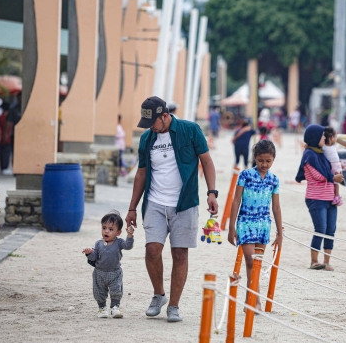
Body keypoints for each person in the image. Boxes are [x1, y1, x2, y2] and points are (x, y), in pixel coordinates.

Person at [125, 96, 219, 323]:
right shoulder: (147, 139)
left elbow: (206, 161)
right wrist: (132, 208)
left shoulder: (190, 130)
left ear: (165, 116)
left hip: (184, 202)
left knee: (180, 253)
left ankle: (174, 306)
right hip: (155, 202)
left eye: (153, 123)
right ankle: (159, 295)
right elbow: (141, 173)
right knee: (152, 250)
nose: (150, 128)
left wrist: (212, 192)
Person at [228, 140, 283, 311]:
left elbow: (276, 207)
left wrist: (280, 233)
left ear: (273, 159)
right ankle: (255, 300)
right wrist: (231, 227)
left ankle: (249, 300)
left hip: (263, 224)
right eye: (260, 160)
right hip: (245, 222)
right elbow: (236, 200)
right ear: (255, 158)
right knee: (251, 261)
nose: (264, 164)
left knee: (257, 262)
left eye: (268, 161)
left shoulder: (274, 180)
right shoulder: (245, 175)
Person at [295, 124, 344, 271]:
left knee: (330, 230)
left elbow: (332, 170)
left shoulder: (323, 154)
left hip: (329, 198)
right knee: (320, 229)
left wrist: (336, 176)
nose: (324, 138)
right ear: (315, 137)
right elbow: (319, 175)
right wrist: (334, 177)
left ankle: (326, 261)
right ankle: (314, 261)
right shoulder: (309, 154)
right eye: (322, 135)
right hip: (316, 198)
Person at [82, 211, 134, 318]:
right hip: (99, 272)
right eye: (104, 228)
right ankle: (102, 308)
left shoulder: (119, 242)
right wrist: (89, 253)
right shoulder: (98, 243)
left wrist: (129, 235)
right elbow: (94, 257)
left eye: (111, 229)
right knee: (98, 291)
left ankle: (115, 307)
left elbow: (128, 246)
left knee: (116, 290)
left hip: (115, 272)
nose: (106, 231)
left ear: (118, 232)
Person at [323, 127, 343, 206]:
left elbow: (335, 157)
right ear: (331, 138)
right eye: (335, 137)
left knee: (336, 182)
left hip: (337, 165)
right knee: (335, 182)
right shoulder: (324, 147)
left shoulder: (332, 147)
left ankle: (336, 196)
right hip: (332, 166)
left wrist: (340, 164)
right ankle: (336, 196)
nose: (336, 139)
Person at [0, 100, 13, 175]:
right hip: (8, 137)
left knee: (1, 153)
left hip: (0, 138)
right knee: (7, 153)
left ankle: (2, 167)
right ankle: (5, 167)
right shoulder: (9, 118)